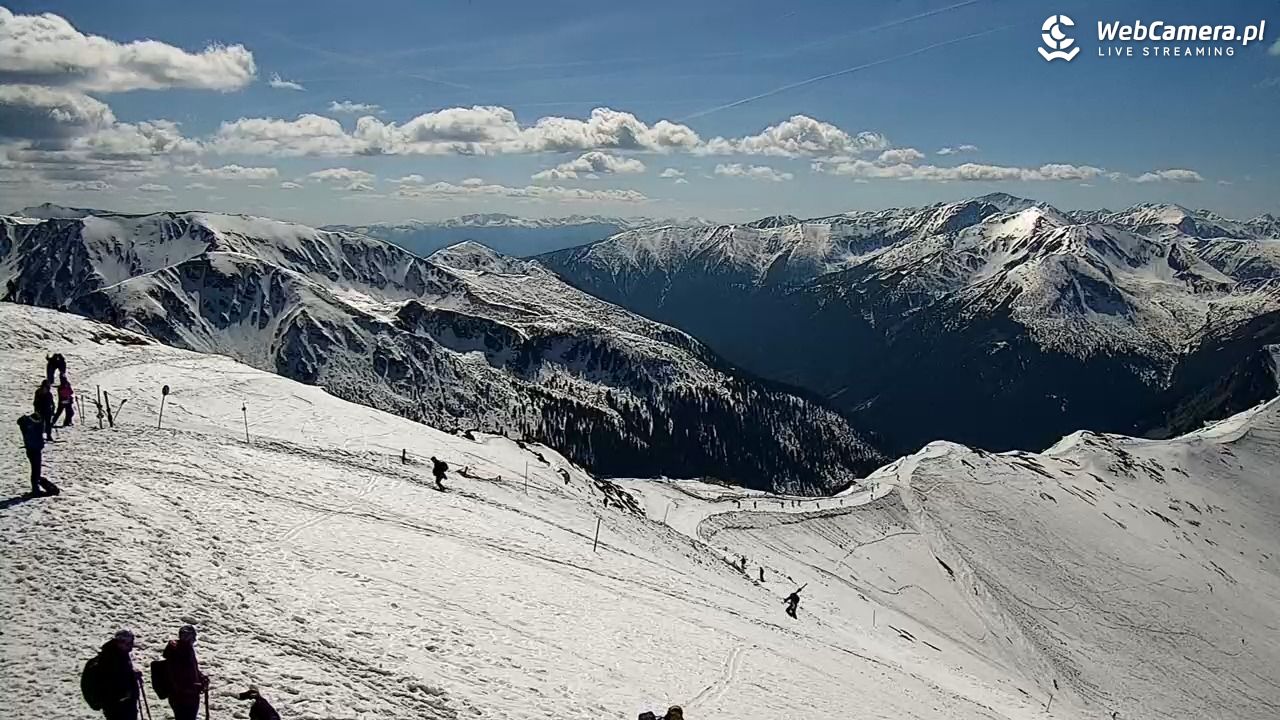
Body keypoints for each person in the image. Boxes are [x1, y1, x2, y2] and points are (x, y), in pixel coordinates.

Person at [162, 625, 209, 720]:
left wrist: (200, 677)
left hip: (188, 695)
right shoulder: (178, 652)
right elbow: (178, 676)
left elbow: (191, 670)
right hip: (183, 696)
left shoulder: (187, 650)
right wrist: (193, 686)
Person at [96, 629, 142, 720]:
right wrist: (122, 695)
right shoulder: (109, 657)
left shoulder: (121, 654)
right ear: (120, 642)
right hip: (117, 706)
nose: (131, 646)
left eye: (131, 643)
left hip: (126, 703)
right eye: (128, 643)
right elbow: (110, 680)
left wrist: (132, 675)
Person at [18, 411, 47, 496]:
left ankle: (36, 488)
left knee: (36, 470)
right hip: (34, 449)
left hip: (33, 449)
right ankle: (35, 489)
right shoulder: (32, 425)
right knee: (36, 470)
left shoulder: (28, 424)